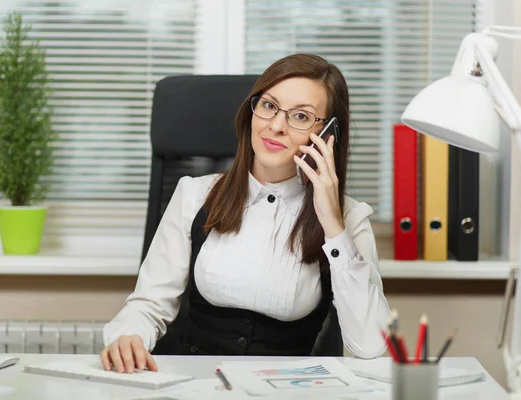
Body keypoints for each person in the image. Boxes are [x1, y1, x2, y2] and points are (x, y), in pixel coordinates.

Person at [101, 53, 391, 373]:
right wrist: (128, 335)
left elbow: (370, 346)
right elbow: (148, 305)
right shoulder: (195, 195)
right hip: (193, 386)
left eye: (300, 116)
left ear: (327, 134)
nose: (276, 126)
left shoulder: (348, 219)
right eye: (268, 106)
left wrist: (333, 226)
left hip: (288, 393)